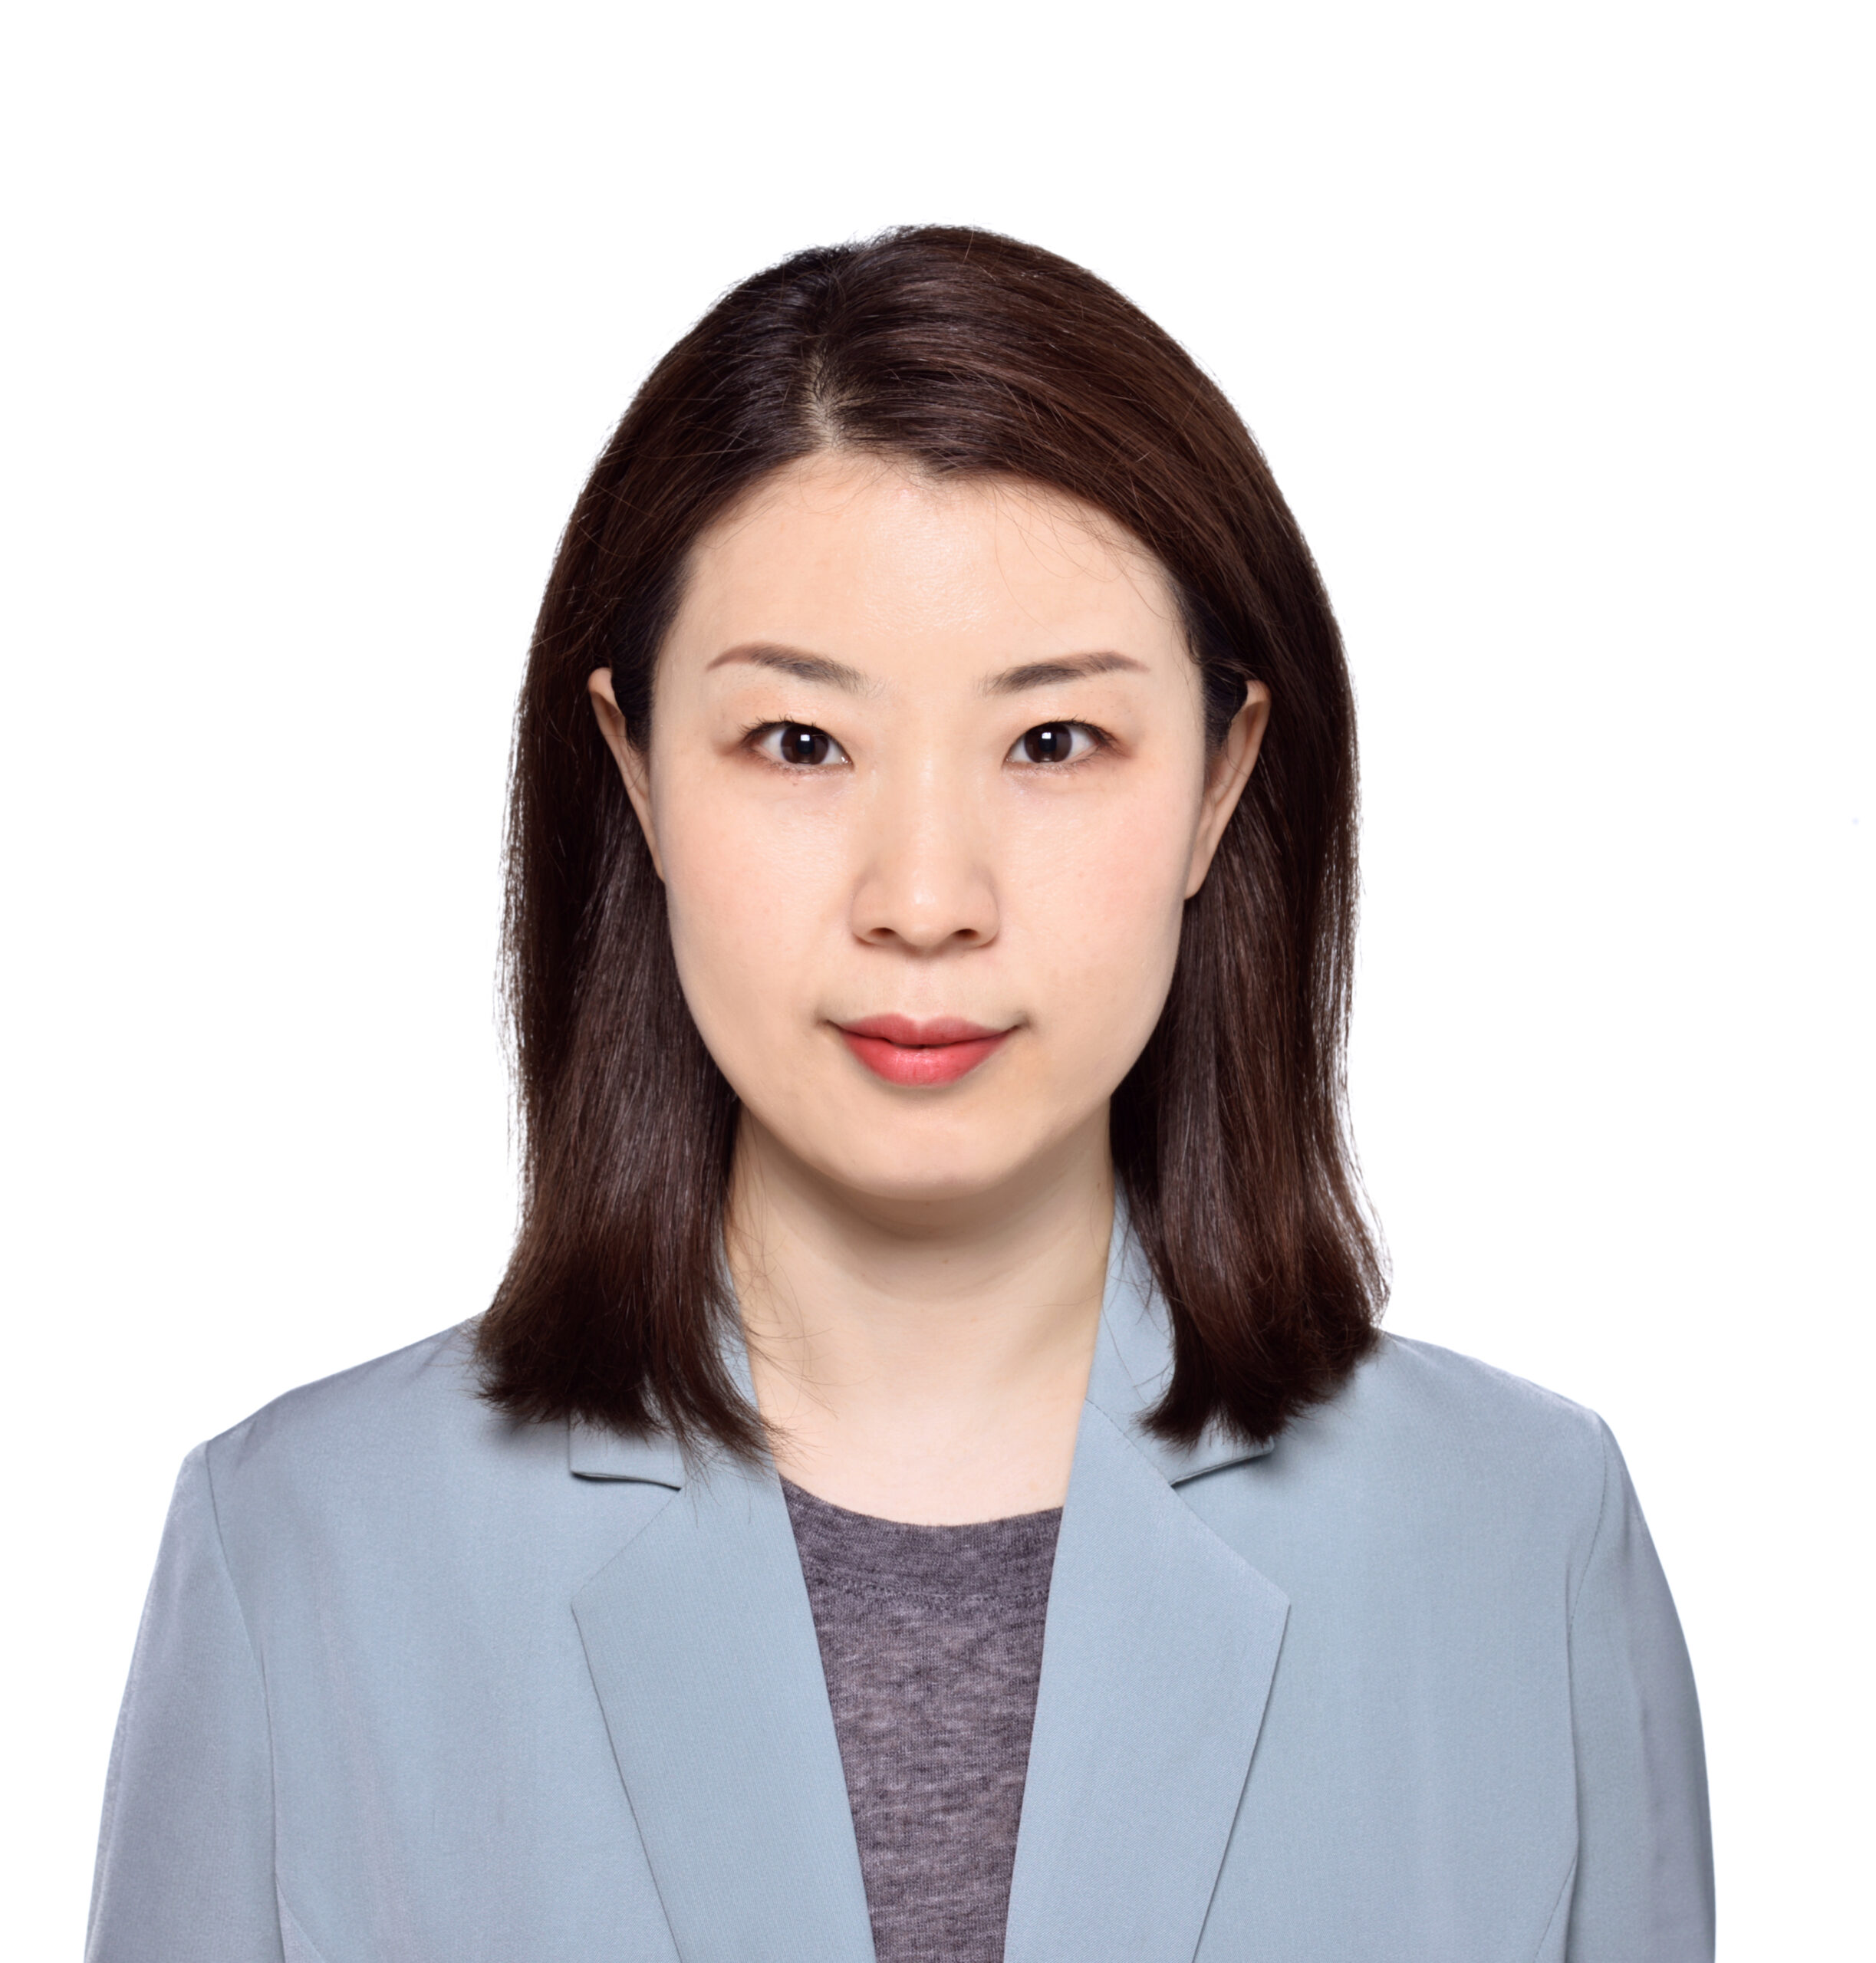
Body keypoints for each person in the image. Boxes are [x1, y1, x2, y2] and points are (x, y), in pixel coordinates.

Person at [87, 227, 1713, 1963]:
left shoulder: (1519, 1547)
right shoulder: (304, 1557)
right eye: (798, 743)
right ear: (633, 765)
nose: (923, 893)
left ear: (1222, 774)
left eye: (1051, 742)